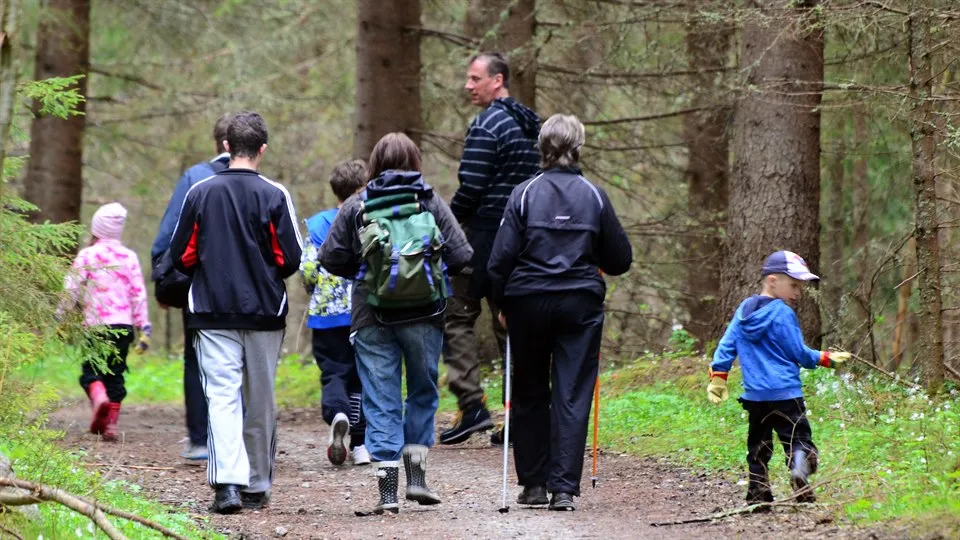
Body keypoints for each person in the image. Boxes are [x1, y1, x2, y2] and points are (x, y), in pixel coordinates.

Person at [319, 133, 473, 516]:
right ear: (415, 161)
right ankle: (416, 478)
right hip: (426, 314)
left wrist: (364, 268)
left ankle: (387, 492)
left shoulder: (359, 203)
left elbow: (330, 257)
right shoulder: (429, 199)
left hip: (371, 315)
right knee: (421, 391)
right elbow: (462, 254)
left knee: (380, 398)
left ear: (373, 165)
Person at [488, 114, 632, 511]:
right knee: (572, 392)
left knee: (531, 389)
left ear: (542, 149)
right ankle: (563, 489)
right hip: (579, 306)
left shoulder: (524, 193)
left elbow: (499, 260)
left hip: (528, 304)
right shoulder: (594, 195)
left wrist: (503, 305)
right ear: (578, 147)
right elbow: (620, 259)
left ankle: (534, 485)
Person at [169, 111, 302, 514]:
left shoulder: (201, 192)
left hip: (211, 310)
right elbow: (290, 257)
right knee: (260, 398)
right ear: (263, 149)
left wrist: (210, 271)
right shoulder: (276, 194)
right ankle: (257, 485)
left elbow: (180, 254)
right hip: (264, 311)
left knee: (222, 398)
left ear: (226, 147)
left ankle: (227, 484)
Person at [440, 51, 541, 446]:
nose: (468, 86)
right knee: (509, 320)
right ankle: (518, 415)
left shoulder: (486, 126)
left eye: (474, 78)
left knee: (456, 313)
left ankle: (472, 405)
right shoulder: (531, 124)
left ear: (497, 80)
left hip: (482, 236)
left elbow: (472, 188)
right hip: (523, 237)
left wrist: (446, 222)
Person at [708, 250, 852, 505]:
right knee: (798, 439)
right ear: (773, 281)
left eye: (801, 287)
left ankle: (758, 495)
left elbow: (727, 345)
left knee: (758, 448)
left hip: (756, 397)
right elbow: (797, 352)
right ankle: (799, 470)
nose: (798, 293)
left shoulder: (743, 311)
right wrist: (823, 357)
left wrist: (719, 376)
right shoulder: (783, 314)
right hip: (787, 394)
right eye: (794, 285)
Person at [151, 113, 232, 462]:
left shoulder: (195, 177)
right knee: (240, 360)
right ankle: (236, 441)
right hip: (249, 292)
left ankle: (201, 440)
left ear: (219, 142)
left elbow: (170, 234)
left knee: (196, 358)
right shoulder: (263, 182)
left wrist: (164, 279)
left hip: (198, 286)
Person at [299, 159, 370, 467]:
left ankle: (337, 413)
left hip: (326, 317)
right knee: (362, 377)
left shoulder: (317, 226)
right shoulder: (367, 220)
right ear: (361, 189)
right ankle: (360, 444)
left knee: (333, 372)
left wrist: (313, 286)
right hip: (363, 313)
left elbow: (308, 271)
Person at [61, 203, 151, 442]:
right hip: (123, 327)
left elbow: (71, 288)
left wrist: (60, 315)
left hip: (95, 326)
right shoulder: (129, 257)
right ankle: (110, 425)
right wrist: (144, 328)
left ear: (96, 228)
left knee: (92, 372)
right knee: (116, 373)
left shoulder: (87, 255)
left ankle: (98, 396)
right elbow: (138, 294)